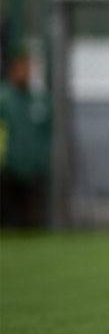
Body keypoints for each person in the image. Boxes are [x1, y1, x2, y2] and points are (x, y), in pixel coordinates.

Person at [0, 44, 52, 228]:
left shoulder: (40, 99)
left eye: (28, 67)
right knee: (10, 224)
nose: (25, 72)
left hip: (35, 172)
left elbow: (49, 133)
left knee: (34, 223)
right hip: (8, 172)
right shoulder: (4, 99)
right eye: (21, 67)